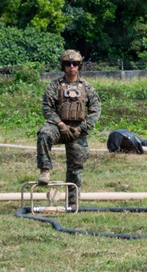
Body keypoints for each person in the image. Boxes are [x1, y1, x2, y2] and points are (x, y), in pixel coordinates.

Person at [36, 49, 102, 206]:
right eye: (67, 64)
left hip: (78, 130)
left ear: (79, 66)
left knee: (75, 169)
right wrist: (60, 124)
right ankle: (45, 170)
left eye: (75, 64)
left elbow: (95, 109)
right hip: (59, 127)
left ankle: (72, 203)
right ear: (63, 66)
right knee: (44, 134)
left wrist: (82, 128)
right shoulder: (54, 86)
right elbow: (47, 107)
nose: (71, 66)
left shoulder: (87, 88)